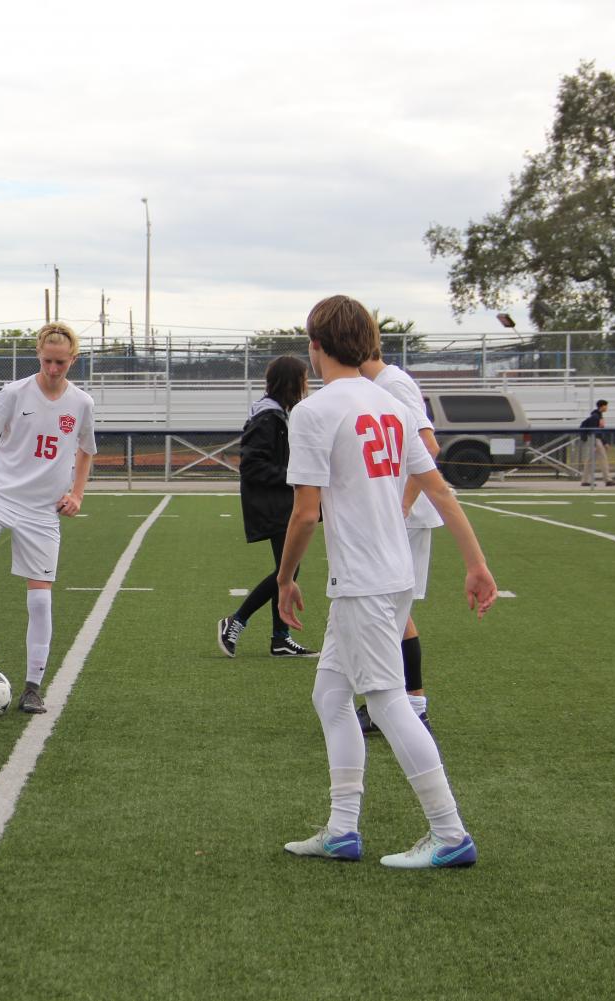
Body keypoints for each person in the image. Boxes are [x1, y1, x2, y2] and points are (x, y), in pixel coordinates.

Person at [278, 295, 496, 869]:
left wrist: (284, 579)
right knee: (330, 694)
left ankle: (450, 833)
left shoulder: (314, 411)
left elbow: (304, 514)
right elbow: (442, 489)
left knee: (388, 702)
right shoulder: (390, 402)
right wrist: (476, 563)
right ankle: (342, 829)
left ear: (316, 346)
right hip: (392, 572)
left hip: (364, 580)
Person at [0, 322, 96, 714]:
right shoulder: (14, 393)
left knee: (41, 603)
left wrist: (77, 494)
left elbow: (86, 450)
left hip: (42, 511)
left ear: (73, 360)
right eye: (47, 360)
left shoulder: (82, 403)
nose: (53, 369)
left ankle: (32, 687)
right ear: (38, 356)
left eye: (61, 362)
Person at [355, 346, 444, 733]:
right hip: (395, 516)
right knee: (392, 611)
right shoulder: (379, 384)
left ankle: (409, 704)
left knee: (388, 609)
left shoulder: (394, 384)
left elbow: (428, 445)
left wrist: (401, 505)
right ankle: (405, 702)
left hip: (404, 518)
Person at [218, 356, 317, 658]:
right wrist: (294, 477)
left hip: (279, 501)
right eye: (303, 379)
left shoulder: (278, 414)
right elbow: (252, 466)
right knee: (286, 570)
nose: (307, 385)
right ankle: (236, 620)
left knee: (289, 568)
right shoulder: (268, 416)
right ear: (292, 382)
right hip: (272, 504)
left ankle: (280, 638)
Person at [579, 400, 615, 487]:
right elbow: (595, 431)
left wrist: (603, 442)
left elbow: (598, 430)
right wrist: (598, 443)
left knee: (590, 461)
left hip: (595, 439)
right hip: (595, 439)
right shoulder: (595, 417)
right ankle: (607, 480)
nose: (607, 408)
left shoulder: (598, 416)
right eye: (606, 406)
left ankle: (585, 480)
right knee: (603, 459)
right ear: (602, 406)